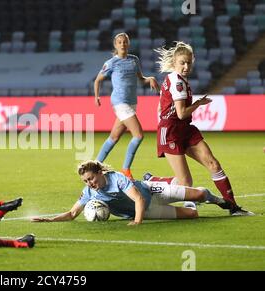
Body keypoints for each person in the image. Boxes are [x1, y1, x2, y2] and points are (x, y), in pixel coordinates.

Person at [153, 41, 253, 216]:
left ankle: (233, 208)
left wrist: (164, 114)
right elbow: (182, 113)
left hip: (184, 128)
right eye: (182, 63)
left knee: (213, 163)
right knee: (185, 181)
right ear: (175, 62)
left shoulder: (176, 79)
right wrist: (198, 103)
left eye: (188, 63)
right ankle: (155, 184)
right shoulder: (178, 83)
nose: (185, 66)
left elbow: (162, 108)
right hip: (170, 131)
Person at [31, 160, 230, 225]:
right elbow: (72, 213)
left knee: (198, 195)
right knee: (193, 215)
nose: (89, 183)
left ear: (100, 173)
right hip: (146, 209)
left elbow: (137, 199)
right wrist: (50, 220)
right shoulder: (89, 192)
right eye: (85, 181)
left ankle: (216, 198)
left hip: (150, 193)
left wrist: (137, 221)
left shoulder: (116, 178)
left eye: (91, 178)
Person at [93, 32, 160, 180]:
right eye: (119, 42)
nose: (122, 44)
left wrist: (150, 79)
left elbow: (141, 80)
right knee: (138, 135)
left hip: (131, 102)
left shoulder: (134, 60)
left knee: (114, 137)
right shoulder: (111, 63)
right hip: (120, 102)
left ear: (128, 44)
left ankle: (94, 166)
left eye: (125, 42)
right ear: (115, 45)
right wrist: (97, 96)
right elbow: (97, 80)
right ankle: (126, 169)